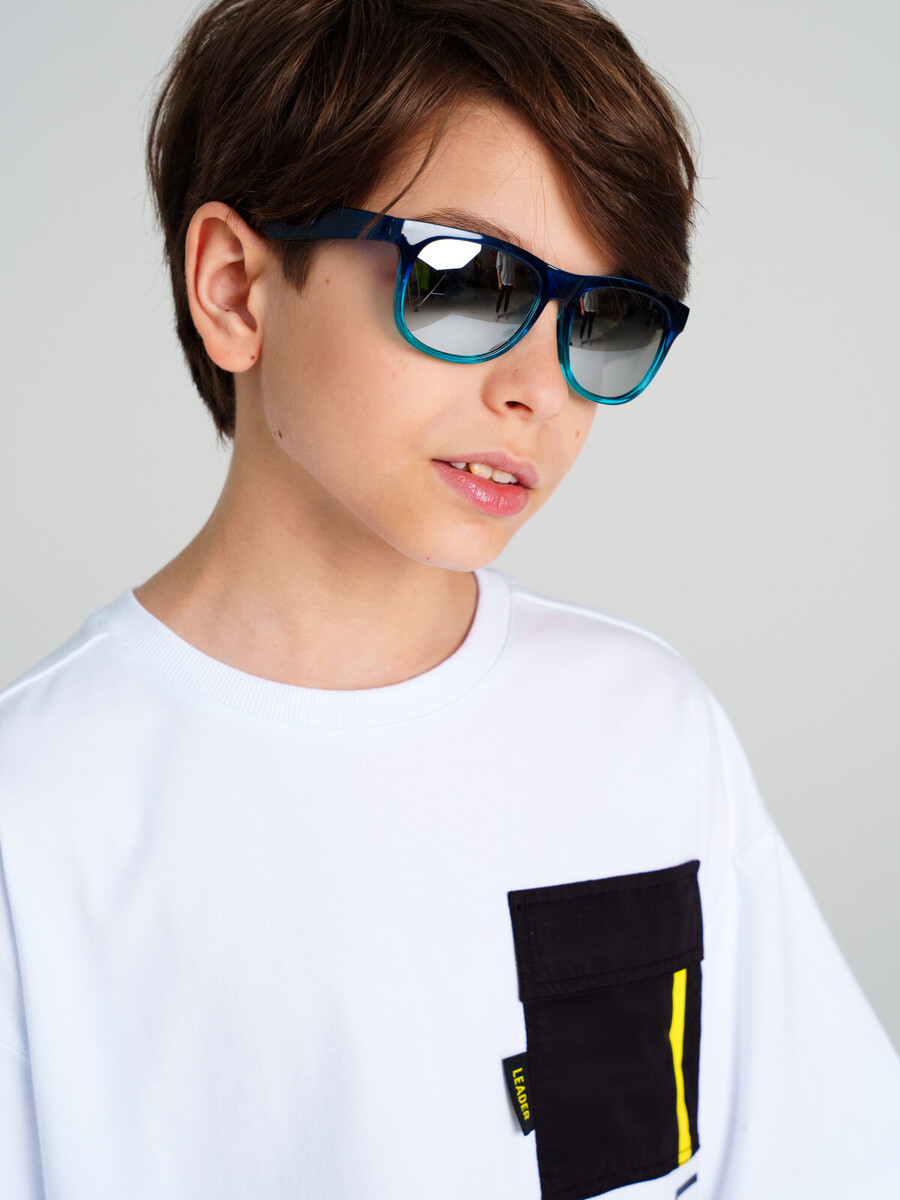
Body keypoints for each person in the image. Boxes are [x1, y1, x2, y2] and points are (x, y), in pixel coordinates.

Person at [0, 0, 898, 1197]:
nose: (542, 389)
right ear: (236, 289)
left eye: (603, 315)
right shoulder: (38, 811)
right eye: (469, 281)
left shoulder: (644, 729)